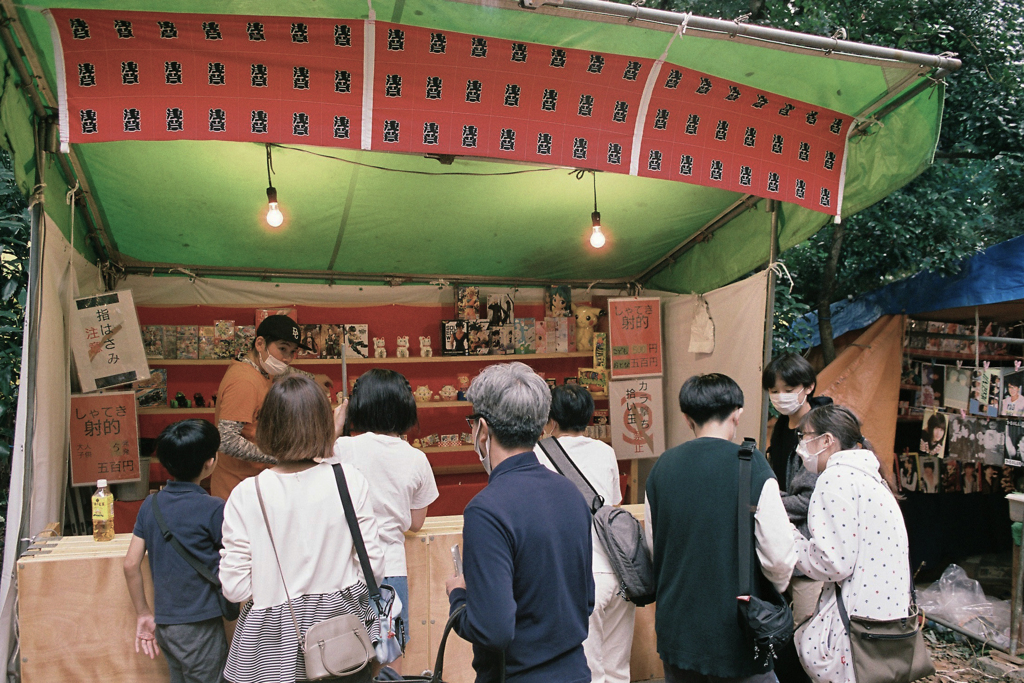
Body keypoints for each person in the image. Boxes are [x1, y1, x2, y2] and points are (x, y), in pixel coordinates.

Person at [220, 375, 385, 683]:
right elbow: (372, 567)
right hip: (341, 637)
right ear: (324, 424)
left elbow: (235, 588)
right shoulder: (348, 479)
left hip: (266, 648)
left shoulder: (247, 494)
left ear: (267, 426)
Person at [445, 362, 594, 683]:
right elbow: (586, 600)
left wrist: (458, 597)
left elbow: (493, 631)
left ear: (483, 429)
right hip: (575, 672)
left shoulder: (486, 510)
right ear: (540, 426)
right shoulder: (571, 494)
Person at [645, 373, 795, 683]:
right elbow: (779, 557)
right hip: (737, 630)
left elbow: (653, 546)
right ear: (738, 413)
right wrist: (771, 593)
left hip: (677, 629)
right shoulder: (753, 465)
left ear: (687, 418)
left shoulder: (662, 467)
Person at [328, 369, 439, 673]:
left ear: (357, 406)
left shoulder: (340, 448)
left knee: (342, 661)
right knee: (390, 657)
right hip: (390, 573)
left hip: (343, 572)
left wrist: (334, 427)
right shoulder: (416, 458)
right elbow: (416, 523)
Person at [791, 405, 911, 683]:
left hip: (855, 624)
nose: (801, 445)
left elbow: (834, 562)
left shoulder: (835, 478)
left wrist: (792, 542)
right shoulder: (870, 476)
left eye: (805, 436)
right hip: (886, 619)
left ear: (827, 440)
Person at [534, 384, 632, 683]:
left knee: (586, 671)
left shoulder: (538, 454)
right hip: (619, 574)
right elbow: (614, 505)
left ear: (550, 419)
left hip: (577, 576)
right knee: (617, 670)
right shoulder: (605, 451)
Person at [123, 419, 227, 683]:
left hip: (165, 624)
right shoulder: (213, 508)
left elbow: (130, 564)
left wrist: (143, 613)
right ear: (210, 462)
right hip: (200, 624)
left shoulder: (151, 504)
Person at [762, 353, 831, 636]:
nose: (781, 397)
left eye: (789, 390)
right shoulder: (781, 426)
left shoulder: (819, 430)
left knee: (808, 632)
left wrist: (764, 504)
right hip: (781, 543)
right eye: (774, 391)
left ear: (809, 387)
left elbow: (808, 500)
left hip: (811, 551)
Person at [210, 315, 313, 500]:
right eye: (282, 349)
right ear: (260, 344)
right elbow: (226, 440)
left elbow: (287, 370)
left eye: (293, 351)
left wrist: (314, 377)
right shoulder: (244, 381)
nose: (288, 358)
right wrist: (279, 457)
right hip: (236, 489)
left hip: (254, 484)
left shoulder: (261, 371)